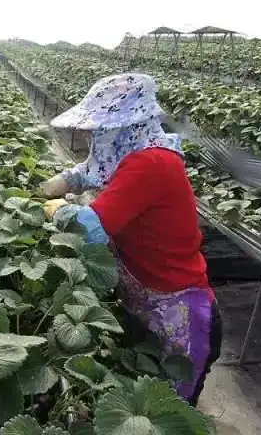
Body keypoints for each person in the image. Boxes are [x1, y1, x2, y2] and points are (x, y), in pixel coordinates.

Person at [42, 73, 222, 406]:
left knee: (166, 411)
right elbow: (96, 168)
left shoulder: (151, 163)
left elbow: (92, 228)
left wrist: (58, 211)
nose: (95, 136)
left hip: (181, 316)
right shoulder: (138, 151)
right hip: (147, 301)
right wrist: (67, 179)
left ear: (126, 127)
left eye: (102, 129)